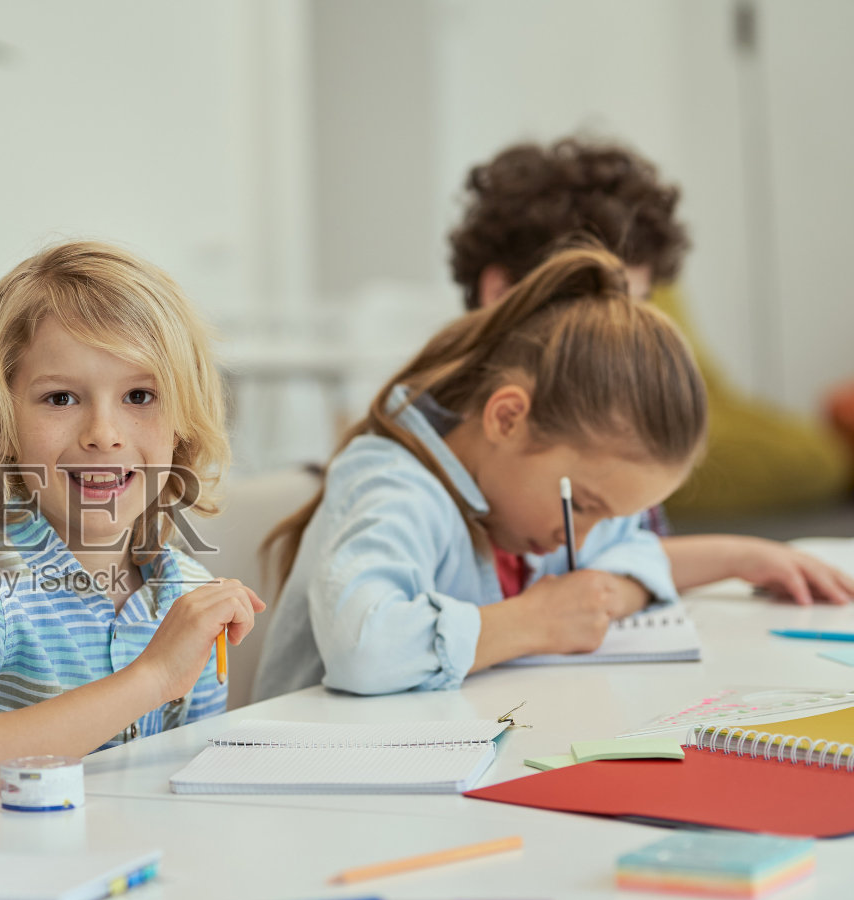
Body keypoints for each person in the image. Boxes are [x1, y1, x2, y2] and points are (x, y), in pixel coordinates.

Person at [0, 241, 264, 815]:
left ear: (182, 421)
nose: (103, 432)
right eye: (60, 397)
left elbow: (190, 800)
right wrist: (153, 676)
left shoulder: (186, 596)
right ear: (1, 424)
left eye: (139, 395)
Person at [255, 244, 705, 699]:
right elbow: (364, 649)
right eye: (584, 507)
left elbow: (637, 548)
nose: (579, 540)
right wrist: (537, 620)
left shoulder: (521, 497)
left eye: (605, 516)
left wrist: (602, 598)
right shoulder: (395, 483)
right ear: (507, 419)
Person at [449, 137, 854, 605]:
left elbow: (628, 552)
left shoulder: (610, 417)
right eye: (595, 304)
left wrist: (741, 557)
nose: (626, 338)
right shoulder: (431, 457)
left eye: (636, 307)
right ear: (500, 291)